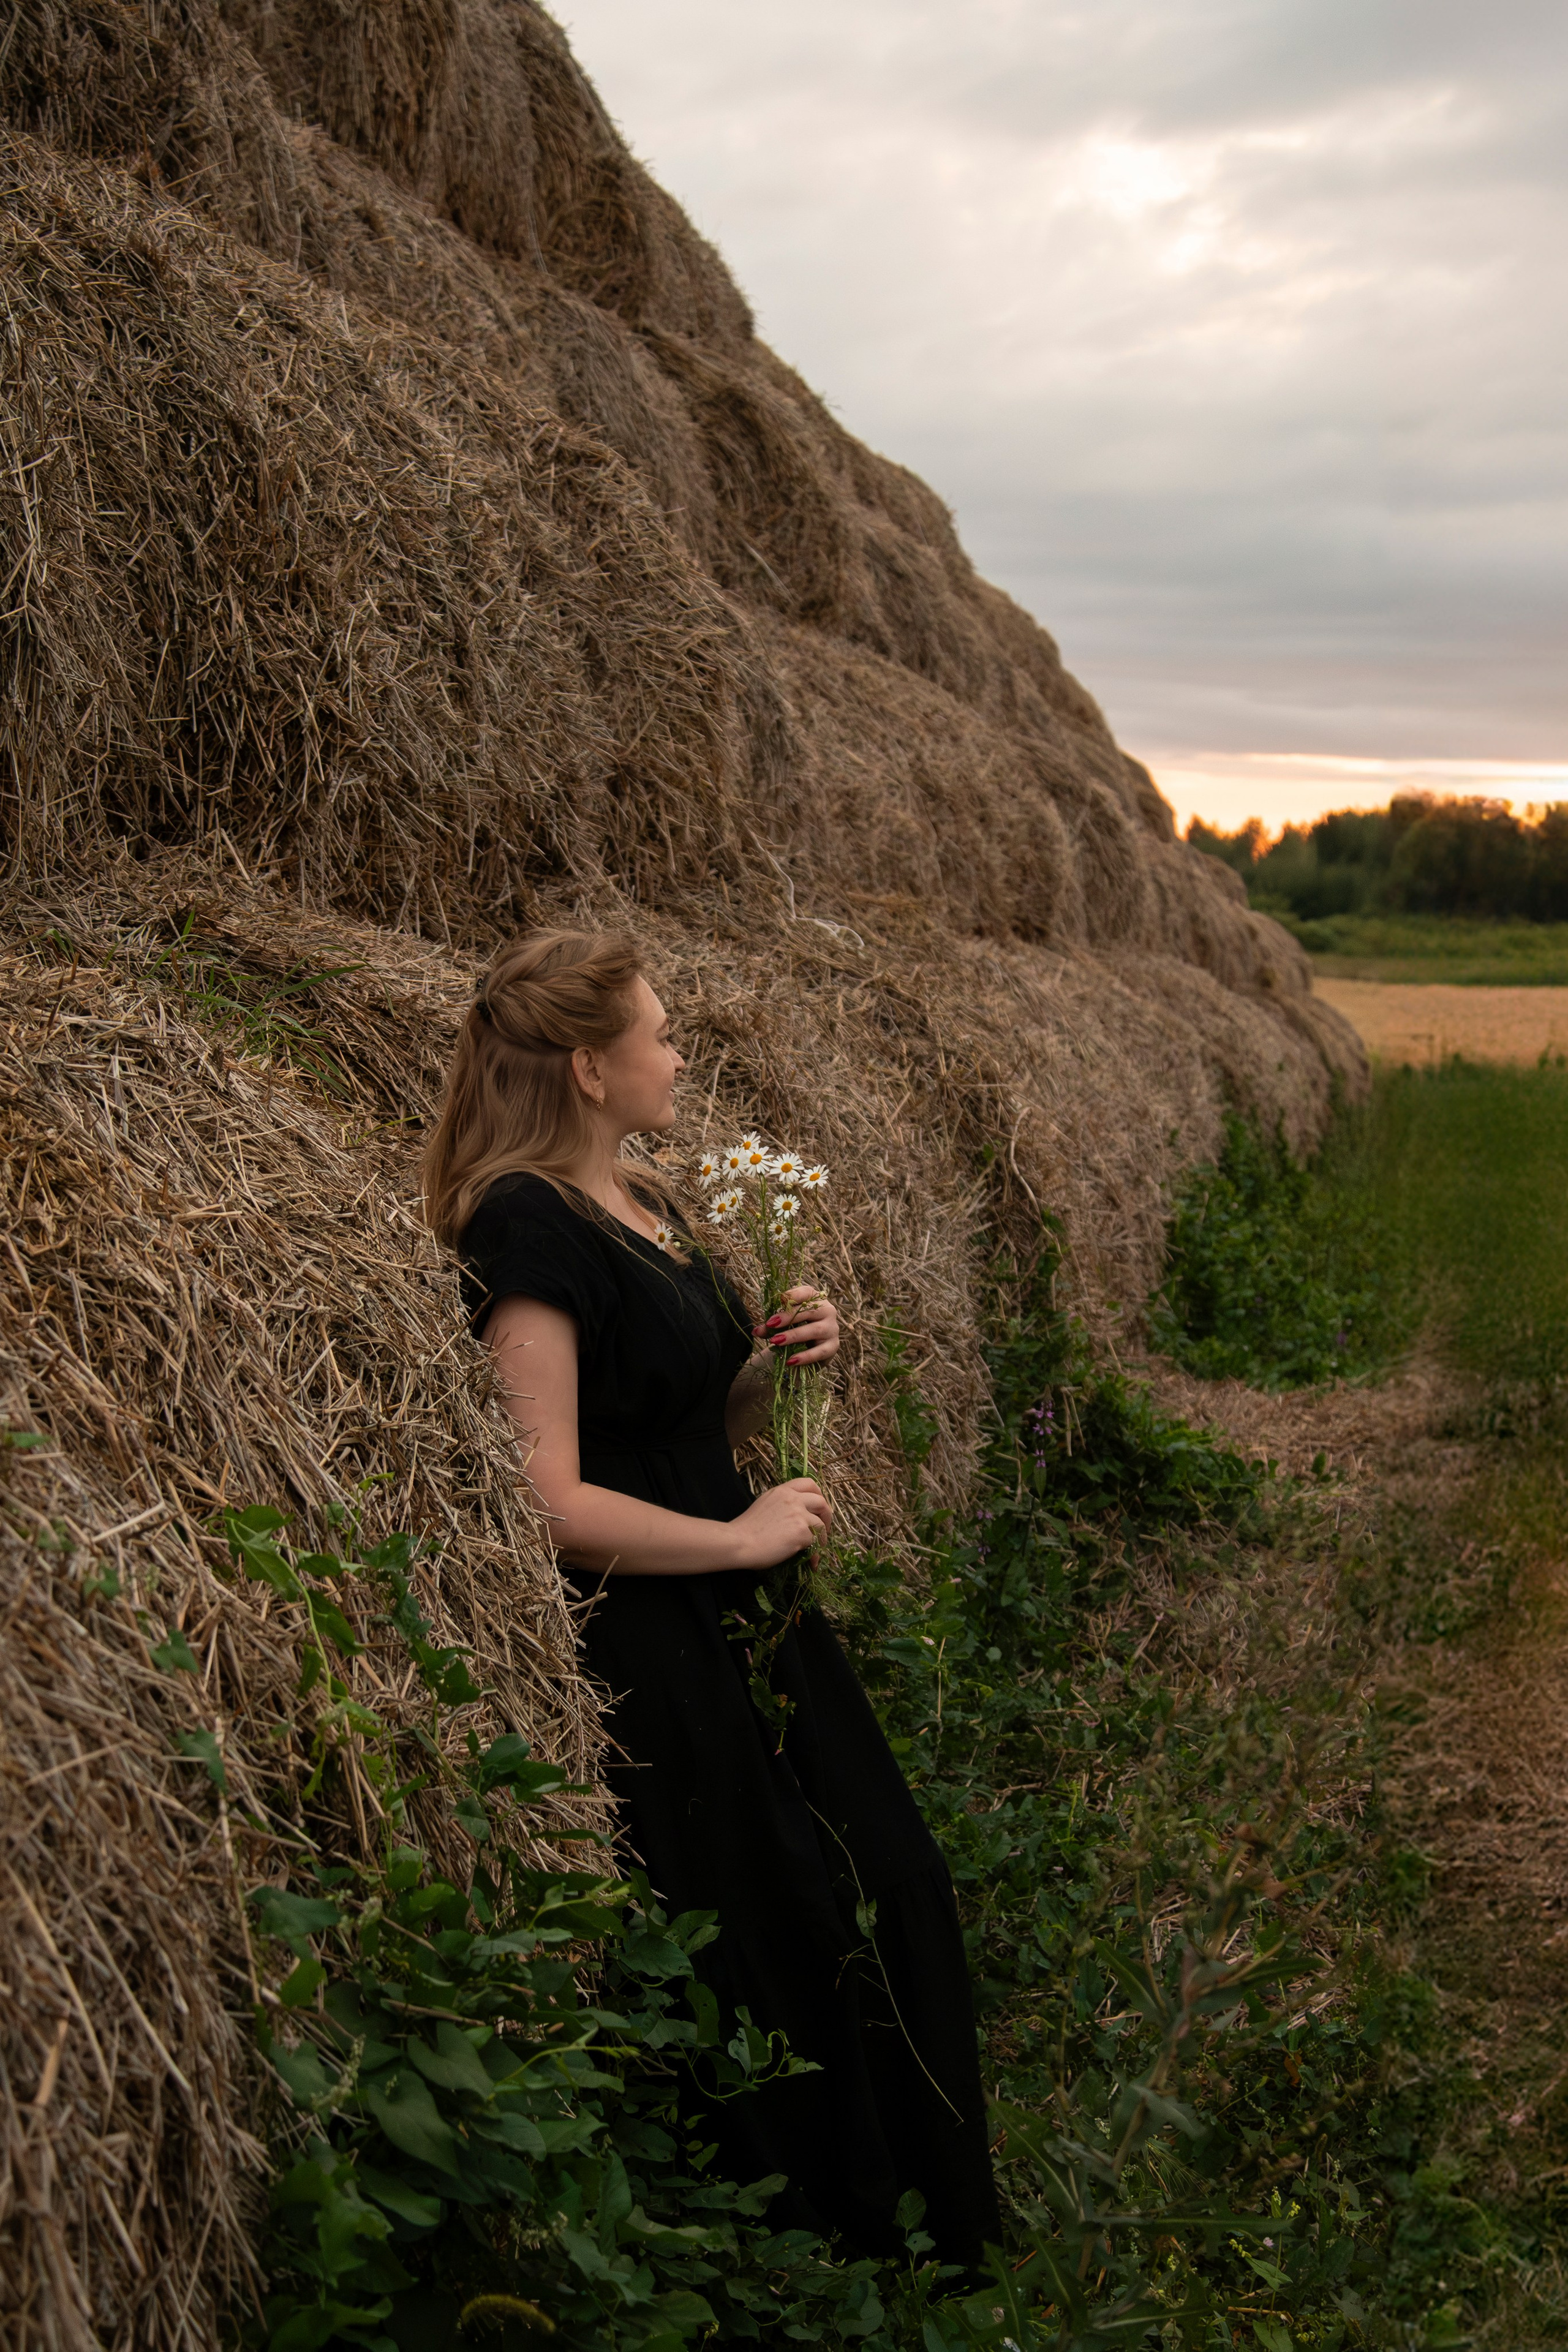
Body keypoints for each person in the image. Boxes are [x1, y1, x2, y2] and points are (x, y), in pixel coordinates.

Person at [423, 927, 1000, 2268]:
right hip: (652, 1631)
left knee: (887, 1872)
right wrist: (737, 1540)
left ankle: (916, 2222)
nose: (680, 1056)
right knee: (777, 1920)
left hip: (741, 1605)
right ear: (588, 1067)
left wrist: (777, 1367)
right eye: (662, 1035)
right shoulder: (524, 1225)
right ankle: (815, 2255)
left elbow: (684, 1417)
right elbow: (549, 1496)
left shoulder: (646, 1200)